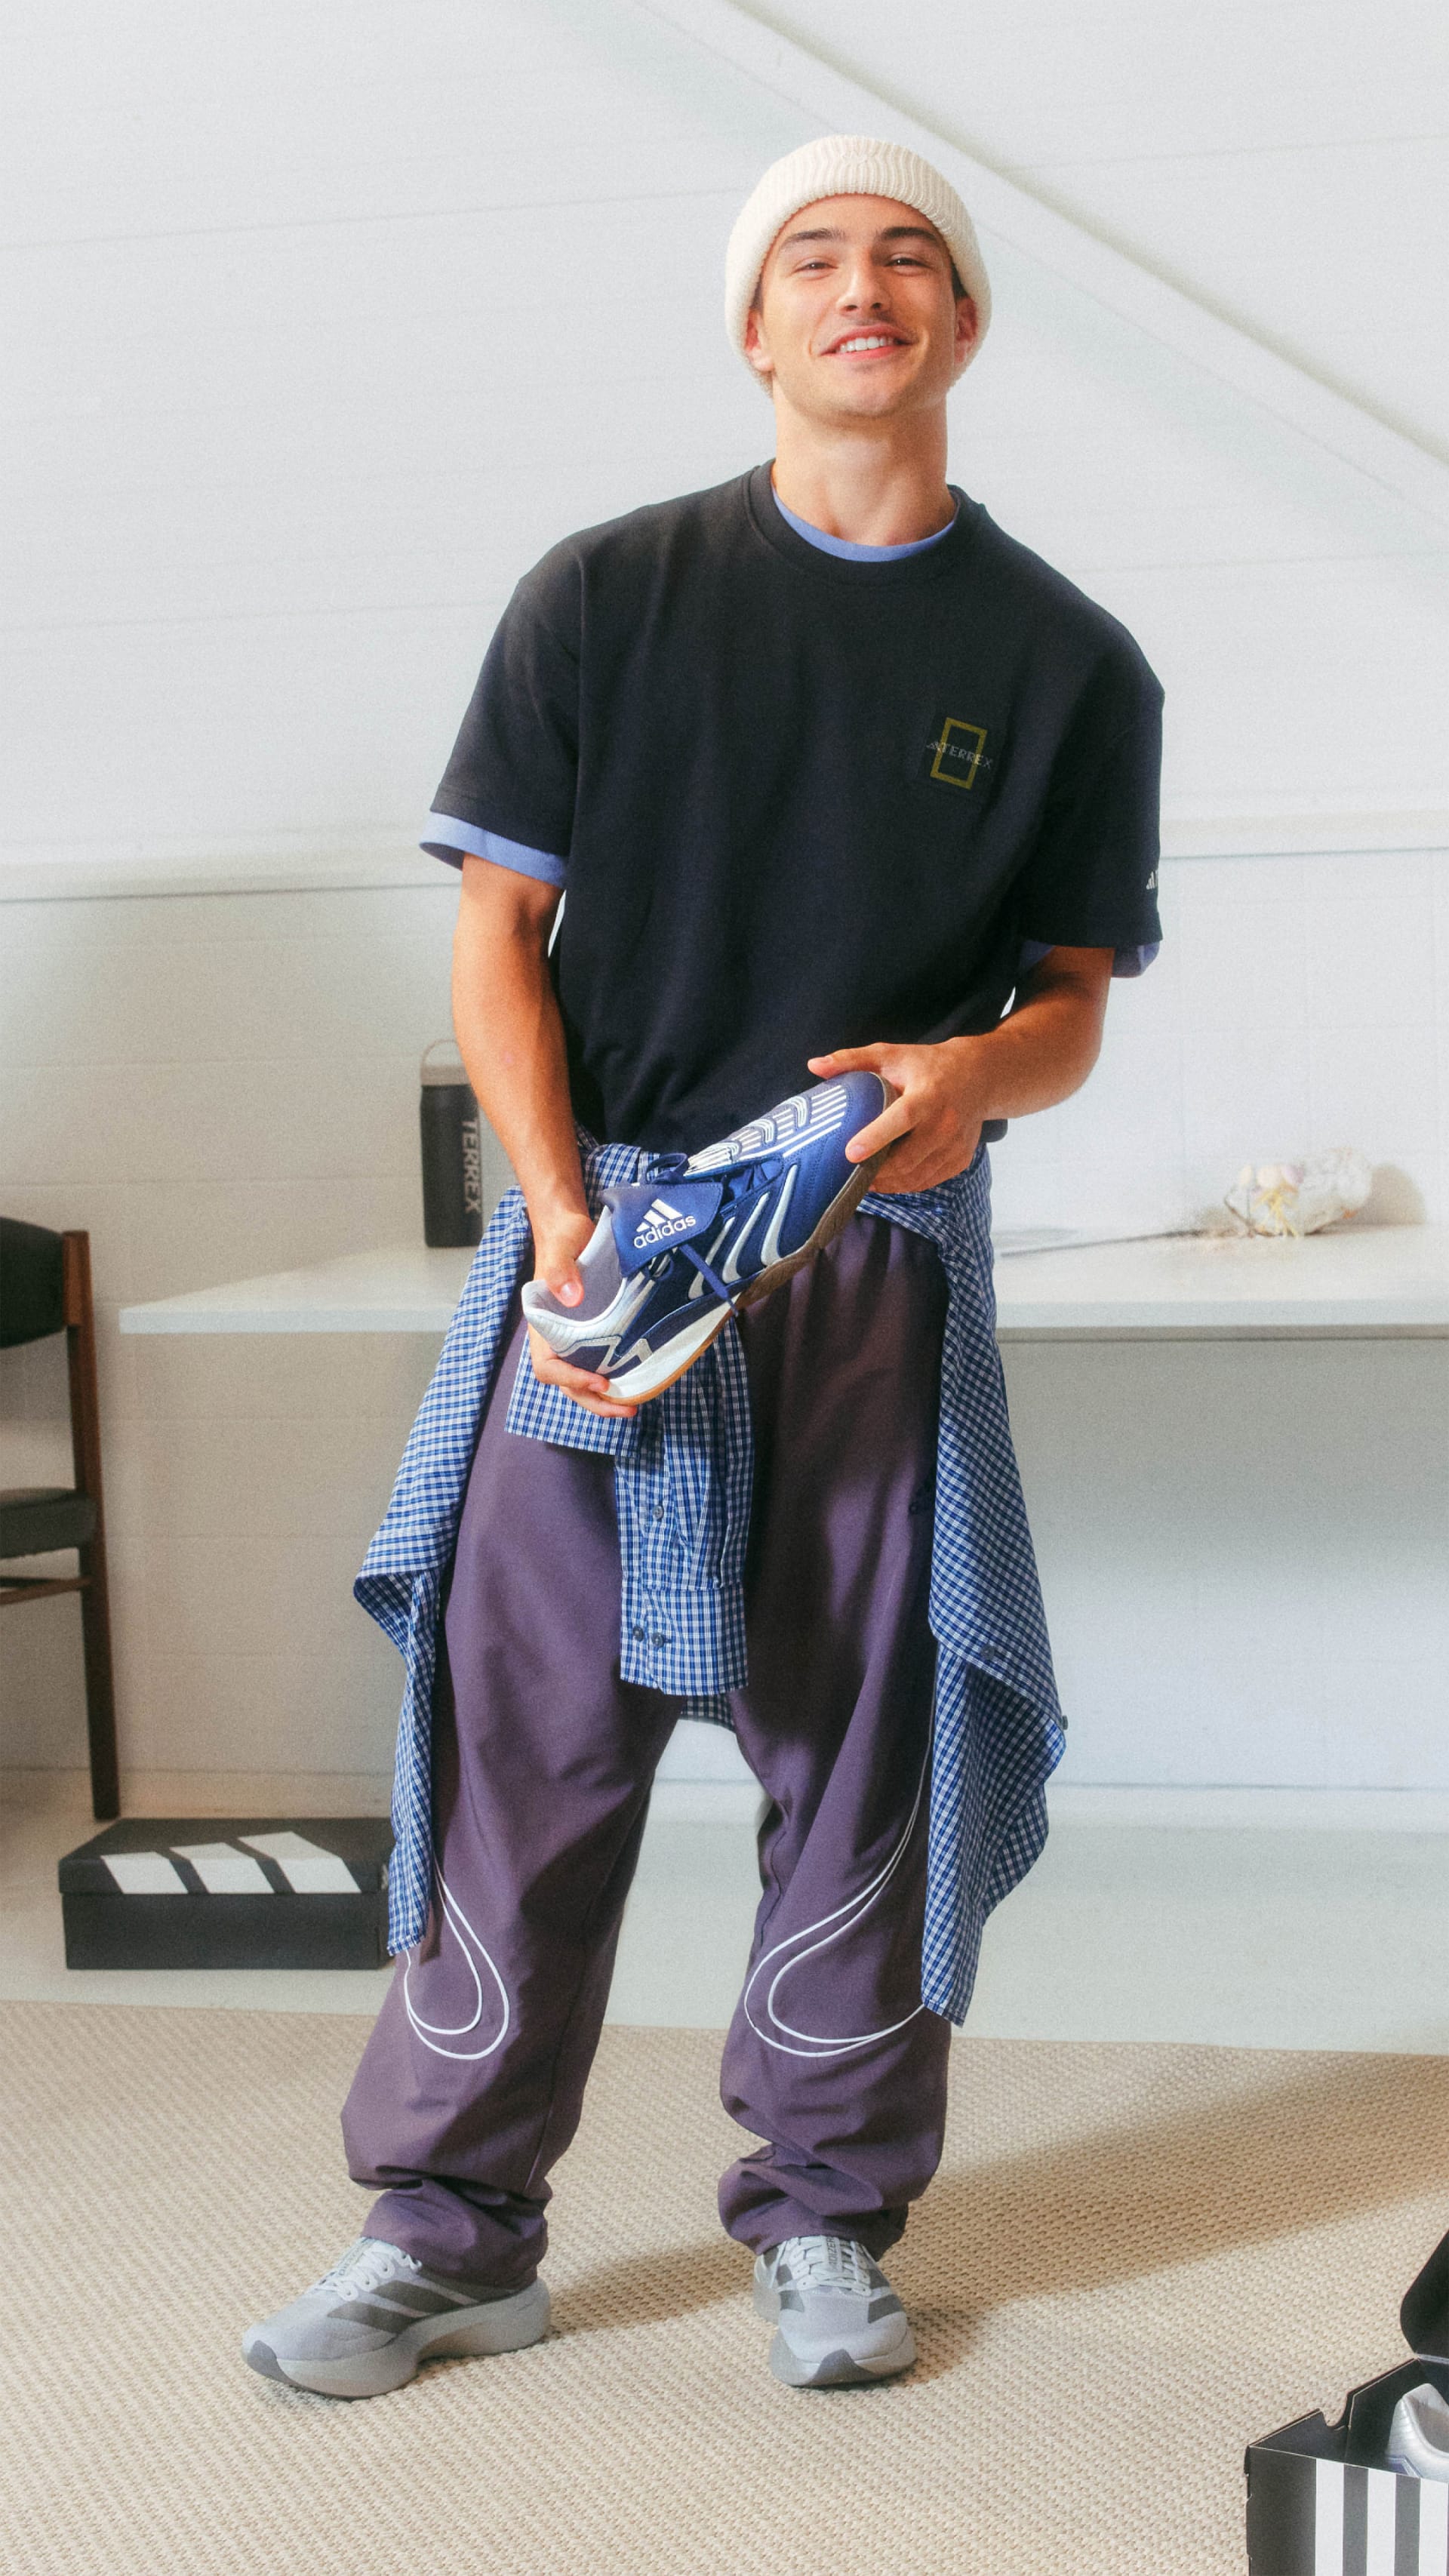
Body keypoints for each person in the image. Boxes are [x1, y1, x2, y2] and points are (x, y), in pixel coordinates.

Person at [243, 134, 1162, 2400]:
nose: (865, 288)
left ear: (964, 324)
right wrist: (560, 1218)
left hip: (868, 1271)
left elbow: (1069, 1008)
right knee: (525, 1740)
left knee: (858, 1757)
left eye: (912, 258)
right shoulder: (605, 596)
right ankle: (448, 2233)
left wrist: (974, 1077)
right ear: (754, 326)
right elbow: (498, 936)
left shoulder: (1067, 660)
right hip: (600, 1258)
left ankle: (828, 2213)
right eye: (815, 259)